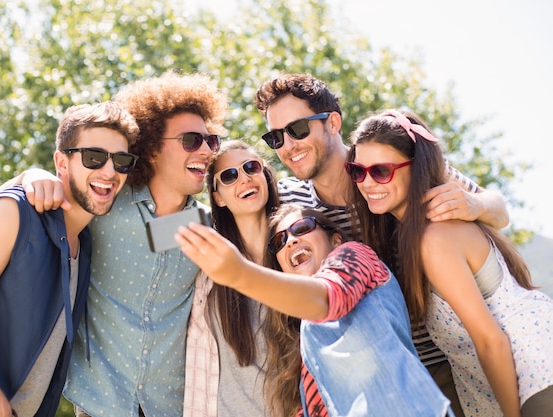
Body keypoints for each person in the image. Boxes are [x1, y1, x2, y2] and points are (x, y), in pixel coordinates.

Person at [253, 72, 510, 416]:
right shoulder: (290, 201)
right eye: (276, 137)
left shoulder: (386, 161)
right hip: (375, 386)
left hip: (448, 364)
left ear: (332, 122)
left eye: (298, 130)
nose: (288, 145)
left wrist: (474, 205)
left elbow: (499, 210)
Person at [3, 72, 229, 417]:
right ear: (152, 148)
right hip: (100, 405)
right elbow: (49, 185)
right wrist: (30, 176)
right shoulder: (104, 204)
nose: (206, 150)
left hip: (171, 406)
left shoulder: (206, 225)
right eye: (191, 140)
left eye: (211, 141)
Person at [0, 101, 139, 417]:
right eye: (94, 158)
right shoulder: (13, 212)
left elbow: (162, 227)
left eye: (121, 161)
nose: (109, 171)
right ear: (62, 162)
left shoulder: (84, 243)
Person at [344, 108, 553, 416]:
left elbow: (490, 341)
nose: (367, 183)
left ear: (415, 168)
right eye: (358, 171)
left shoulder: (434, 237)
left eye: (381, 171)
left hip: (535, 377)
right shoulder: (416, 231)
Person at [176, 204, 453, 417]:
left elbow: (327, 299)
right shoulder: (306, 345)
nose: (291, 241)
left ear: (334, 240)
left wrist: (239, 275)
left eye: (301, 228)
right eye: (279, 242)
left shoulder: (354, 255)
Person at [184, 139, 299, 417]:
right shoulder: (208, 254)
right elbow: (145, 233)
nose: (244, 179)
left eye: (251, 167)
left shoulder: (299, 245)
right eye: (229, 176)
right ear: (218, 197)